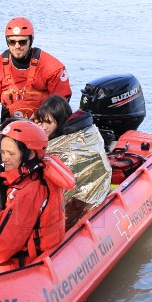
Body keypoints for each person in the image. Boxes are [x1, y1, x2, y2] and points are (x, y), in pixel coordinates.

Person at [0, 120, 75, 268]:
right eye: (2, 152)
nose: (4, 158)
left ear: (31, 154)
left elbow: (3, 247)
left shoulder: (30, 190)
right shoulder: (23, 176)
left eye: (11, 153)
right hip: (12, 248)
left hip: (26, 258)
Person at [0, 17, 71, 161]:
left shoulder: (51, 67)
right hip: (11, 129)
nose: (17, 46)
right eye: (12, 41)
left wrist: (49, 133)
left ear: (31, 40)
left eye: (22, 41)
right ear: (7, 41)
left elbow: (61, 105)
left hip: (43, 129)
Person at [34, 95, 112, 229]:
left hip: (84, 200)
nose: (44, 127)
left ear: (60, 121)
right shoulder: (64, 137)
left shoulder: (71, 144)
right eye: (41, 122)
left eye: (49, 122)